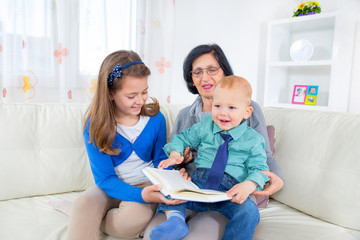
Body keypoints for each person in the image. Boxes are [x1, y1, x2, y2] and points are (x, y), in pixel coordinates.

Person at [143, 44, 284, 239]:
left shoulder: (252, 131)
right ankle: (175, 221)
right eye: (197, 72)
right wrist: (178, 158)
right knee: (167, 198)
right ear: (191, 78)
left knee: (248, 213)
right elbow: (179, 141)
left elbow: (262, 162)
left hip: (232, 189)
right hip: (197, 182)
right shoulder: (201, 122)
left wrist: (255, 183)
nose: (205, 77)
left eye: (212, 69)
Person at [65, 50, 186, 240]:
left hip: (145, 185)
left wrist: (172, 165)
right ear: (111, 94)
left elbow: (160, 160)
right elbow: (104, 179)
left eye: (144, 92)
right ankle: (82, 216)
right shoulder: (95, 125)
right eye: (131, 96)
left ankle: (87, 219)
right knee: (83, 205)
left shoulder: (156, 119)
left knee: (131, 220)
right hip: (109, 186)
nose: (140, 100)